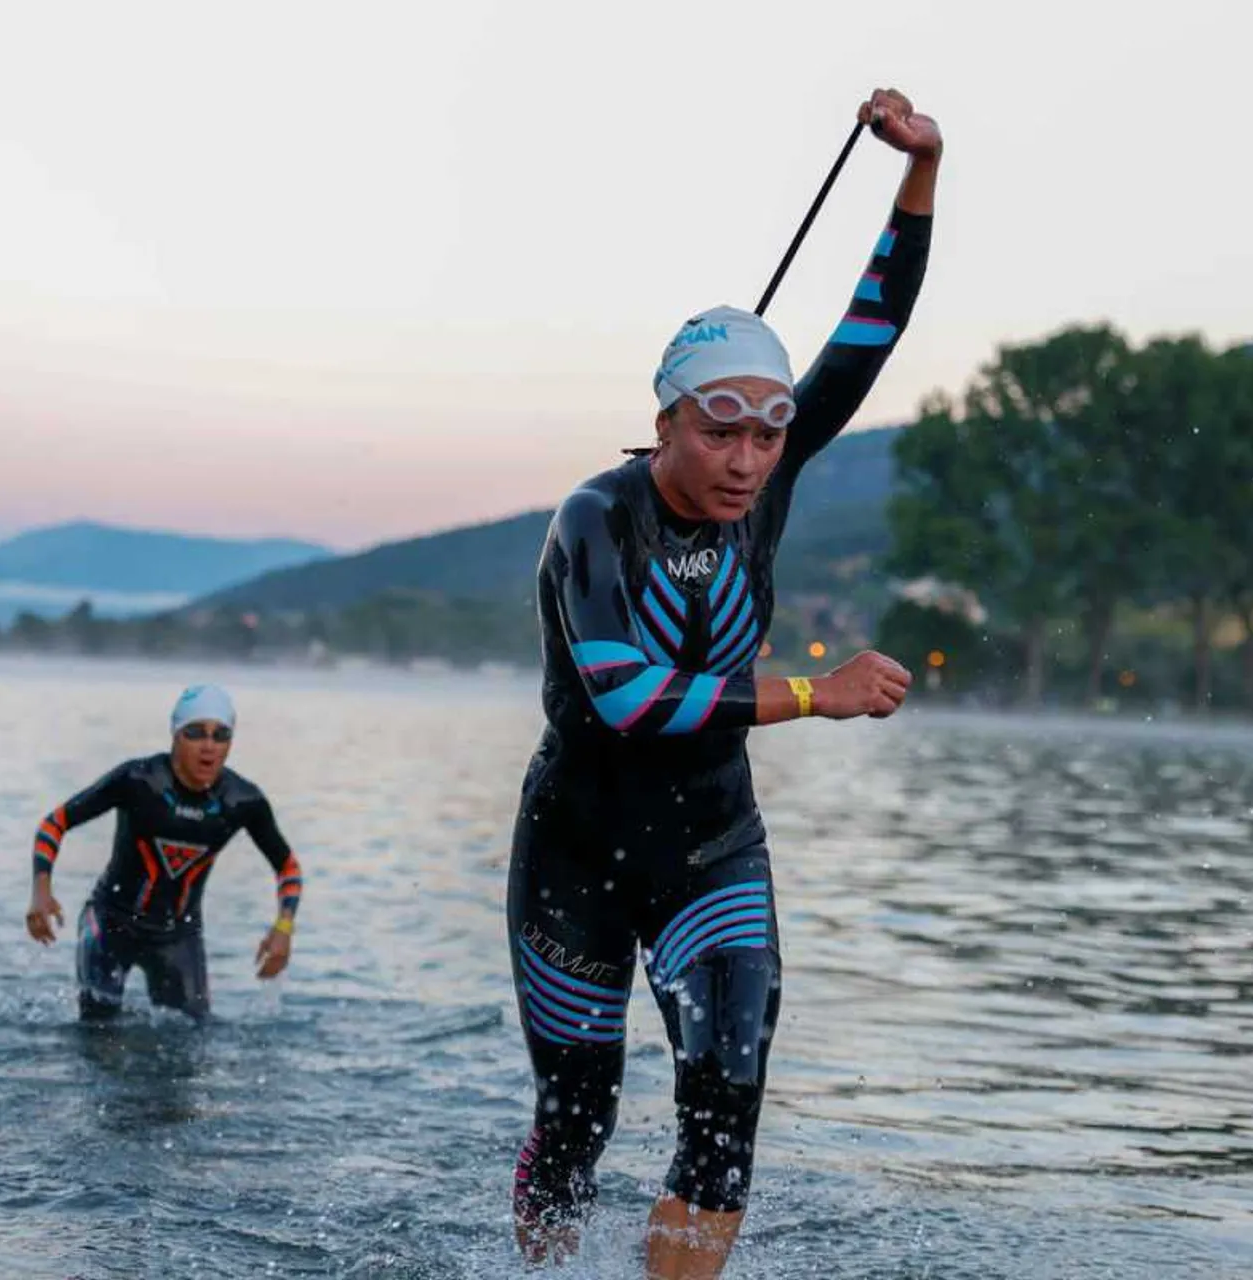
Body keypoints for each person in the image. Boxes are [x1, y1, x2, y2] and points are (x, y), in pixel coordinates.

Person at [506, 87, 939, 1278]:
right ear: (666, 422)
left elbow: (874, 322)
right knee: (579, 1116)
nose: (748, 458)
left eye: (768, 432)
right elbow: (623, 696)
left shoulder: (775, 473)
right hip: (577, 851)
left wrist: (922, 172)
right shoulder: (596, 517)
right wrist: (815, 692)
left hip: (711, 845)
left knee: (726, 1104)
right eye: (720, 431)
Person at [24, 683, 304, 1021]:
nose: (209, 747)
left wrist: (283, 927)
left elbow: (287, 866)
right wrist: (41, 891)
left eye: (221, 736)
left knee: (191, 1045)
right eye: (196, 733)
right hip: (111, 924)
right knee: (98, 1036)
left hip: (178, 936)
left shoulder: (242, 801)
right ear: (175, 736)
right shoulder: (139, 780)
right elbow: (55, 823)